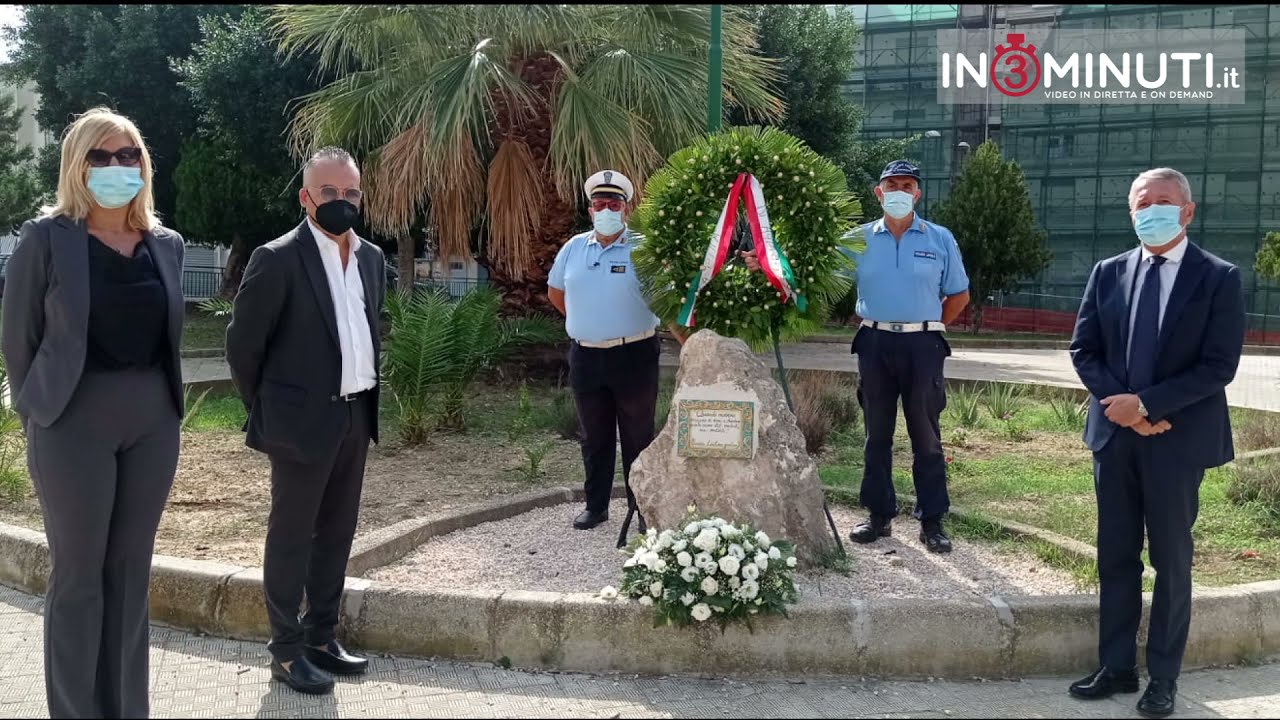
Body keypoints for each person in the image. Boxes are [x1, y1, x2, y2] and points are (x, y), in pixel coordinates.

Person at [1, 107, 186, 718]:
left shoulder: (166, 245)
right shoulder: (45, 240)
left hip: (152, 422)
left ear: (143, 166)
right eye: (100, 156)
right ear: (77, 166)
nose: (115, 166)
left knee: (130, 576)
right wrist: (40, 415)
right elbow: (18, 340)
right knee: (79, 576)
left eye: (127, 155)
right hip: (72, 422)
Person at [1067, 167, 1244, 718]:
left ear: (1187, 211)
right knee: (1116, 556)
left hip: (1177, 440)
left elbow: (1219, 366)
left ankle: (1163, 677)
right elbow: (1084, 349)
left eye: (1164, 202)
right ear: (1131, 213)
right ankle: (1116, 666)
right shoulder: (1108, 272)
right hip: (1116, 439)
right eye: (1143, 204)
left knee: (1171, 559)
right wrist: (1124, 408)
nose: (1152, 211)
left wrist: (1146, 406)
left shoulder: (1218, 277)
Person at [744, 159, 969, 553]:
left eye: (907, 185)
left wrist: (928, 325)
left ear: (917, 193)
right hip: (875, 343)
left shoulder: (939, 239)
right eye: (891, 185)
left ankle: (932, 521)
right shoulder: (858, 240)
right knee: (876, 436)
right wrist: (769, 267)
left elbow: (959, 295)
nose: (899, 192)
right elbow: (817, 278)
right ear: (878, 193)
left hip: (923, 347)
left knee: (927, 438)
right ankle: (879, 516)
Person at [226, 147, 384, 695]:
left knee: (337, 532)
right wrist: (269, 409)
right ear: (306, 197)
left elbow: (366, 332)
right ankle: (286, 651)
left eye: (351, 194)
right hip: (299, 424)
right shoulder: (277, 258)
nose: (342, 203)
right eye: (330, 193)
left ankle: (322, 635)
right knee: (291, 536)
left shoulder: (371, 258)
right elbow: (243, 347)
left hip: (356, 416)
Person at [547, 170, 685, 531]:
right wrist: (588, 323)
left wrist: (690, 343)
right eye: (599, 203)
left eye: (614, 203)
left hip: (634, 355)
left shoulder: (644, 249)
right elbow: (556, 293)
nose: (606, 209)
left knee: (639, 435)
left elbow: (667, 302)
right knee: (594, 436)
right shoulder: (573, 248)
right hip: (586, 356)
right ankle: (596, 506)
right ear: (590, 209)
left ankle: (642, 509)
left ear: (626, 208)